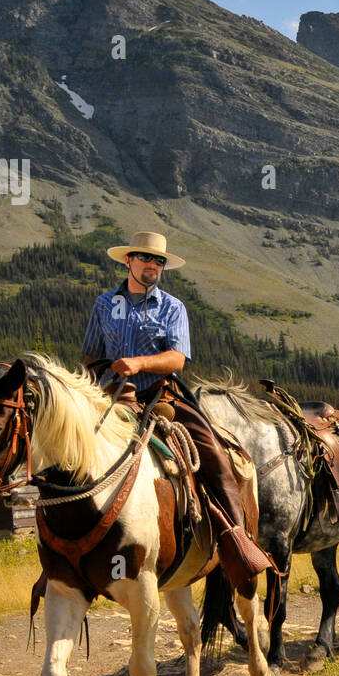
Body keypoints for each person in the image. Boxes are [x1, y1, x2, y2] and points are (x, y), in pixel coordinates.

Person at [80, 230, 266, 584]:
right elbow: (91, 355)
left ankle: (238, 542)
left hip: (161, 399)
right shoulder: (104, 304)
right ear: (128, 261)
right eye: (146, 258)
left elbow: (177, 358)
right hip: (111, 398)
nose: (153, 265)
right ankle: (64, 555)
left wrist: (138, 363)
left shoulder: (172, 307)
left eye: (160, 260)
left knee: (213, 453)